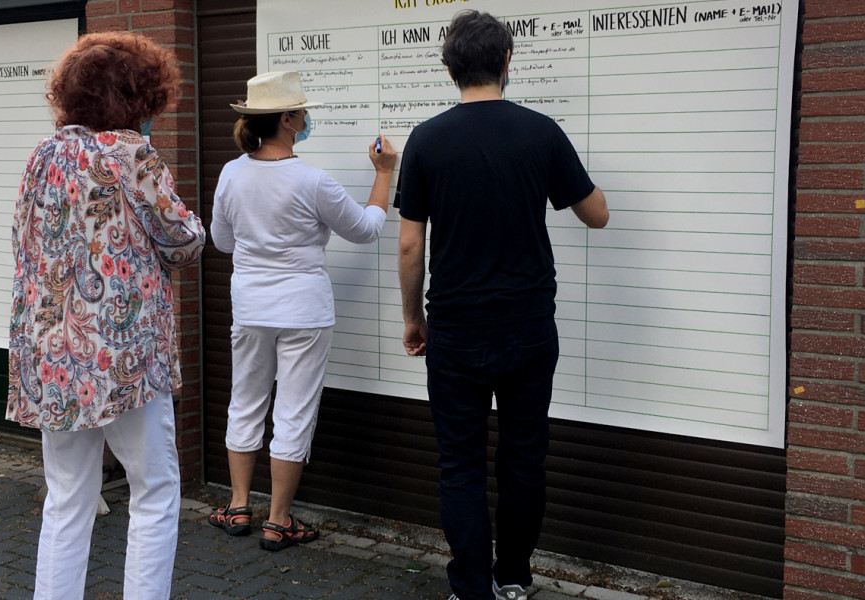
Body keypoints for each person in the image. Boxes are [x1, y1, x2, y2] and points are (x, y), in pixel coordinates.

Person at [394, 11, 610, 600]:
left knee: (460, 463)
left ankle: (471, 586)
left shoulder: (427, 139)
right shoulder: (541, 132)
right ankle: (514, 577)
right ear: (507, 62)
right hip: (529, 325)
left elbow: (412, 243)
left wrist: (415, 319)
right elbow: (597, 214)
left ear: (449, 68)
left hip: (457, 328)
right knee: (523, 457)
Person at [7, 32, 205, 600]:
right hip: (124, 357)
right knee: (156, 487)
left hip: (53, 355)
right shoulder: (129, 154)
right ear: (137, 98)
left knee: (67, 495)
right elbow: (184, 241)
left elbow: (26, 248)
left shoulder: (40, 158)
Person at [207, 71, 398, 551]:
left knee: (245, 402)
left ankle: (236, 506)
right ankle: (279, 520)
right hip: (304, 311)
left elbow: (222, 241)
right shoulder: (313, 181)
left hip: (250, 307)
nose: (307, 117)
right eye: (303, 111)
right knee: (293, 412)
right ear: (289, 120)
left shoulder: (232, 173)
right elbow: (366, 229)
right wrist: (383, 173)